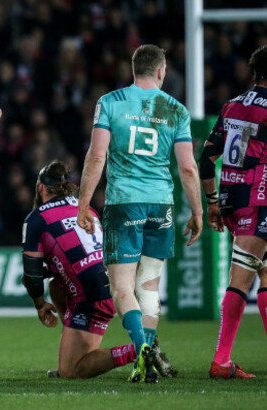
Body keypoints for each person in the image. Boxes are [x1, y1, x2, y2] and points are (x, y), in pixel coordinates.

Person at [76, 44, 203, 383]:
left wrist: (83, 202)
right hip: (160, 205)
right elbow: (188, 168)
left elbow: (96, 156)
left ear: (135, 70)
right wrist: (198, 211)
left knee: (121, 288)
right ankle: (145, 351)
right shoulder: (176, 110)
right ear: (161, 71)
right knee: (148, 285)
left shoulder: (111, 103)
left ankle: (141, 350)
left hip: (125, 203)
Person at [21, 161, 139, 378]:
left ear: (41, 188)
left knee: (71, 371)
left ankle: (138, 350)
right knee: (56, 285)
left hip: (91, 292)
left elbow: (32, 276)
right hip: (112, 280)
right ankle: (74, 343)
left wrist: (40, 305)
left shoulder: (37, 218)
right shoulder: (85, 207)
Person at [198, 45, 267, 380]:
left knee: (264, 273)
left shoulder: (232, 106)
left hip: (232, 198)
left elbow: (206, 158)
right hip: (260, 198)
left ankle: (223, 360)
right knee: (242, 277)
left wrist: (212, 202)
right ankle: (221, 360)